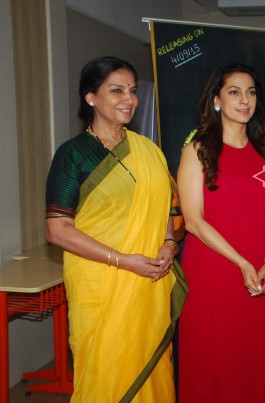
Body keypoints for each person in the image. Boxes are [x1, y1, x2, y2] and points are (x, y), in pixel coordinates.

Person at [45, 56, 187, 402]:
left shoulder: (148, 150)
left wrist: (169, 243)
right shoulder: (73, 154)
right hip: (100, 283)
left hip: (148, 280)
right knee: (105, 373)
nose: (129, 99)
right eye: (117, 90)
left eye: (133, 91)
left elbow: (165, 207)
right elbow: (58, 229)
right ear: (90, 97)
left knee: (152, 369)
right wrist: (124, 261)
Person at [176, 62, 265, 402]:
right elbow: (193, 221)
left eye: (251, 93)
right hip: (214, 271)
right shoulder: (197, 150)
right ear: (217, 100)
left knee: (251, 360)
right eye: (234, 92)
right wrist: (241, 262)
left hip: (261, 273)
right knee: (214, 361)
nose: (244, 100)